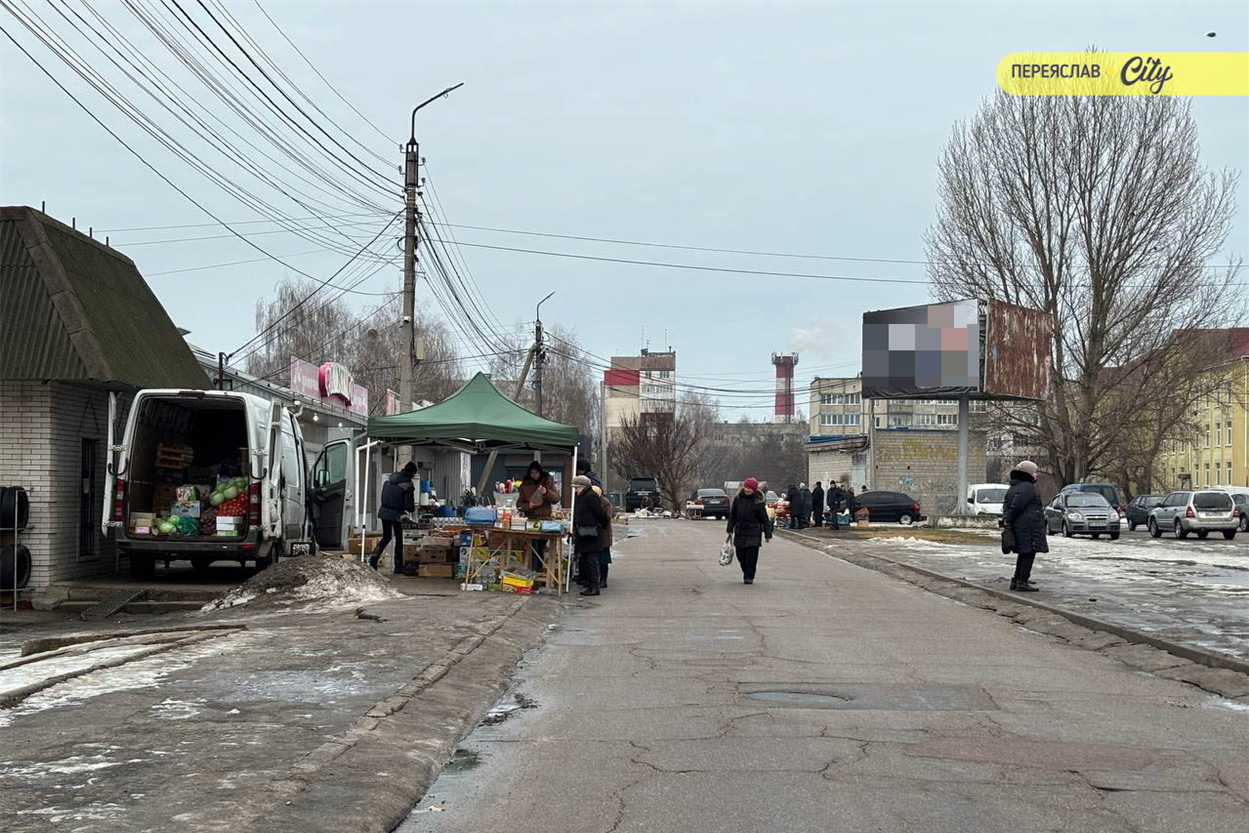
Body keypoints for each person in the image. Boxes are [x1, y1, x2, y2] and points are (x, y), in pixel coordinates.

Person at [1002, 460, 1046, 592]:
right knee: (1028, 553)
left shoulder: (1015, 486)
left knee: (1024, 552)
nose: (1036, 474)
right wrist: (1009, 518)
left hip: (1022, 526)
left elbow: (1008, 506)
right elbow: (1017, 506)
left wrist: (1008, 519)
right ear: (1028, 473)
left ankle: (1017, 579)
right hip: (1028, 527)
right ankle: (1022, 581)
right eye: (1034, 472)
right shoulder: (1027, 487)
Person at [369, 461, 417, 574]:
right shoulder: (408, 484)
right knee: (399, 539)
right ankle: (398, 566)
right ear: (412, 472)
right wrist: (410, 509)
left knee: (386, 537)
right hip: (397, 514)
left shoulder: (391, 478)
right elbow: (408, 505)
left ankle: (374, 558)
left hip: (384, 511)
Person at [727, 477, 773, 584]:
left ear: (754, 489)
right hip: (740, 531)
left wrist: (768, 534)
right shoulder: (738, 499)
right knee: (740, 555)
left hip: (753, 532)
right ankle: (745, 570)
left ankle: (749, 576)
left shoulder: (758, 501)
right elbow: (733, 515)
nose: (747, 489)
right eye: (746, 487)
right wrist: (730, 529)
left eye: (750, 488)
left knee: (751, 557)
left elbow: (765, 519)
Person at [517, 461, 561, 571]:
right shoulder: (524, 485)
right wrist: (529, 506)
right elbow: (519, 504)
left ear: (540, 472)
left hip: (545, 520)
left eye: (536, 472)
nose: (534, 475)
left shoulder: (548, 482)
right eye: (532, 473)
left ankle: (539, 571)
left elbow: (556, 499)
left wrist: (546, 492)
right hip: (531, 519)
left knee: (541, 547)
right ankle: (532, 572)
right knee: (532, 548)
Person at [572, 475, 610, 596]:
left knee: (592, 560)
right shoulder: (582, 496)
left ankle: (595, 586)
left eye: (576, 487)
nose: (575, 490)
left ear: (582, 486)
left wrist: (601, 525)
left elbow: (600, 513)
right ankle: (591, 585)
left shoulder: (590, 496)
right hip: (584, 533)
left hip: (591, 533)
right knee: (587, 559)